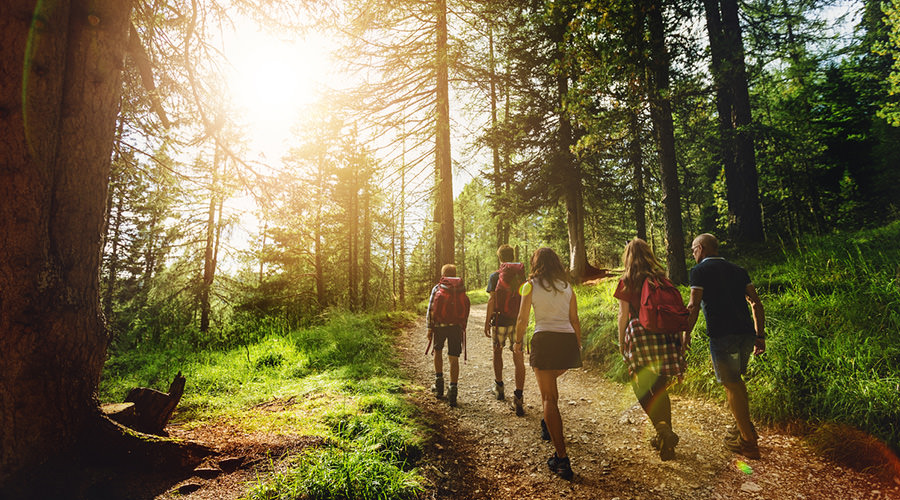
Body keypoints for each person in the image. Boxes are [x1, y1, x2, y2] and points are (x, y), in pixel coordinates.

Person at [686, 233, 766, 459]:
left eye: (693, 250)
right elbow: (756, 303)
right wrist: (760, 335)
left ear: (701, 248)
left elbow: (693, 306)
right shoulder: (739, 270)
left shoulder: (699, 271)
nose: (693, 254)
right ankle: (742, 428)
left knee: (732, 385)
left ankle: (748, 442)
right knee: (737, 383)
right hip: (746, 334)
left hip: (723, 336)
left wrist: (686, 334)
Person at [613, 238, 688, 461]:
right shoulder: (661, 277)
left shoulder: (626, 280)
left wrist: (621, 342)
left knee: (642, 387)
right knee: (661, 386)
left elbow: (623, 316)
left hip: (640, 334)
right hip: (666, 333)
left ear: (628, 256)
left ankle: (662, 430)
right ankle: (666, 440)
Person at [514, 248, 582, 480]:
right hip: (566, 342)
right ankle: (551, 431)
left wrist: (517, 341)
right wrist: (578, 346)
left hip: (544, 341)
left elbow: (523, 319)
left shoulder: (531, 284)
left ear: (536, 263)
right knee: (552, 393)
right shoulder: (566, 286)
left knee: (548, 399)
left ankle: (562, 460)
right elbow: (574, 319)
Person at [484, 244, 527, 416]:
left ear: (500, 258)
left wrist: (487, 321)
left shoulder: (495, 276)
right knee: (518, 357)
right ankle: (518, 396)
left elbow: (491, 301)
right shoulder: (522, 276)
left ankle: (499, 386)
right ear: (513, 256)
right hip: (517, 321)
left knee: (497, 352)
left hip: (500, 320)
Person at [426, 264, 471, 407]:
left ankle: (439, 386)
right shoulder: (461, 289)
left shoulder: (437, 288)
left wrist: (429, 328)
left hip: (439, 326)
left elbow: (431, 308)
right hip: (456, 327)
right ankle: (453, 390)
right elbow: (465, 306)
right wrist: (463, 325)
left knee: (438, 351)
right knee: (454, 358)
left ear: (443, 275)